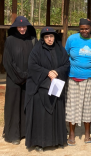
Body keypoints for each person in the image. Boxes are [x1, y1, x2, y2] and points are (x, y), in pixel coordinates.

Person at [25, 27, 70, 152]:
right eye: (47, 37)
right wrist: (47, 73)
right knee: (42, 116)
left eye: (52, 36)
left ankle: (59, 140)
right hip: (41, 88)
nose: (50, 39)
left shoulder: (61, 50)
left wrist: (57, 71)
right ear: (43, 38)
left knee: (57, 114)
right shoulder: (36, 50)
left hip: (56, 86)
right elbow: (32, 66)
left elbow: (66, 64)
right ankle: (40, 142)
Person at [2, 16, 37, 145]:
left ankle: (26, 132)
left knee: (27, 106)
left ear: (27, 27)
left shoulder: (33, 39)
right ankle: (13, 135)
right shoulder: (10, 40)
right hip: (14, 79)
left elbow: (37, 59)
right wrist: (20, 76)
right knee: (13, 105)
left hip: (29, 79)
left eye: (24, 26)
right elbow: (7, 61)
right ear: (16, 27)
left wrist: (28, 75)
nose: (22, 29)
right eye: (20, 27)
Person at [65, 18, 91, 145]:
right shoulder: (72, 39)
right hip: (73, 77)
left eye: (86, 28)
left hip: (90, 78)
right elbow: (65, 55)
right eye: (81, 29)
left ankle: (87, 133)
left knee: (87, 106)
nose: (84, 31)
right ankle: (72, 133)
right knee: (72, 105)